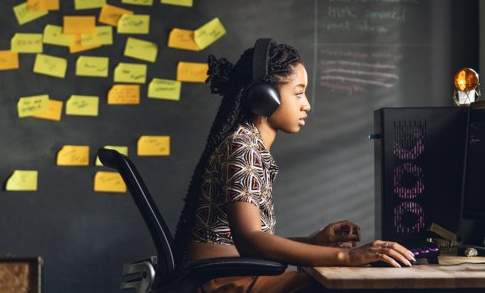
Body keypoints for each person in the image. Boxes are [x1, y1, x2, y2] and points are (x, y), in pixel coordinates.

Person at [172, 40, 416, 293]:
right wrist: (349, 257)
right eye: (298, 93)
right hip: (223, 284)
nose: (306, 104)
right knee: (343, 285)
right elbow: (250, 242)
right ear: (265, 97)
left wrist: (315, 243)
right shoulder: (242, 148)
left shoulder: (248, 145)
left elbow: (247, 243)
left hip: (229, 276)